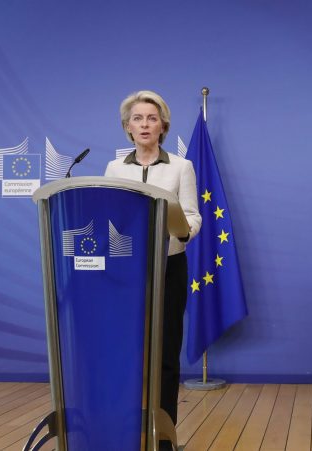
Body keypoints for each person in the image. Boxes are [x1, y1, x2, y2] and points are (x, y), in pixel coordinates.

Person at [105, 91, 202, 437]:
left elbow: (192, 216)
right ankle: (127, 428)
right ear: (127, 127)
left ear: (163, 126)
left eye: (152, 118)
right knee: (126, 351)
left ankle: (164, 433)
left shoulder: (181, 167)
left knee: (165, 354)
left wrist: (181, 233)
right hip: (126, 272)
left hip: (169, 268)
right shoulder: (114, 168)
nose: (145, 124)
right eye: (137, 118)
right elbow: (110, 215)